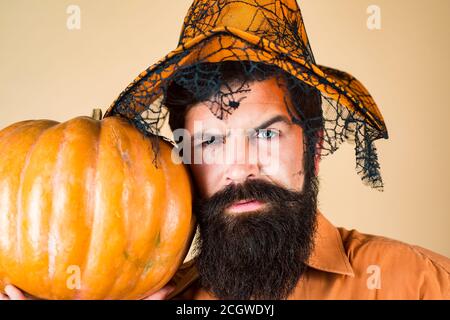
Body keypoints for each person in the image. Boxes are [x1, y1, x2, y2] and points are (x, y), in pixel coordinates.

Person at [2, 0, 449, 300]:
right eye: (211, 142)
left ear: (313, 148)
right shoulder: (146, 297)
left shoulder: (421, 283)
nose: (240, 166)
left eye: (268, 135)